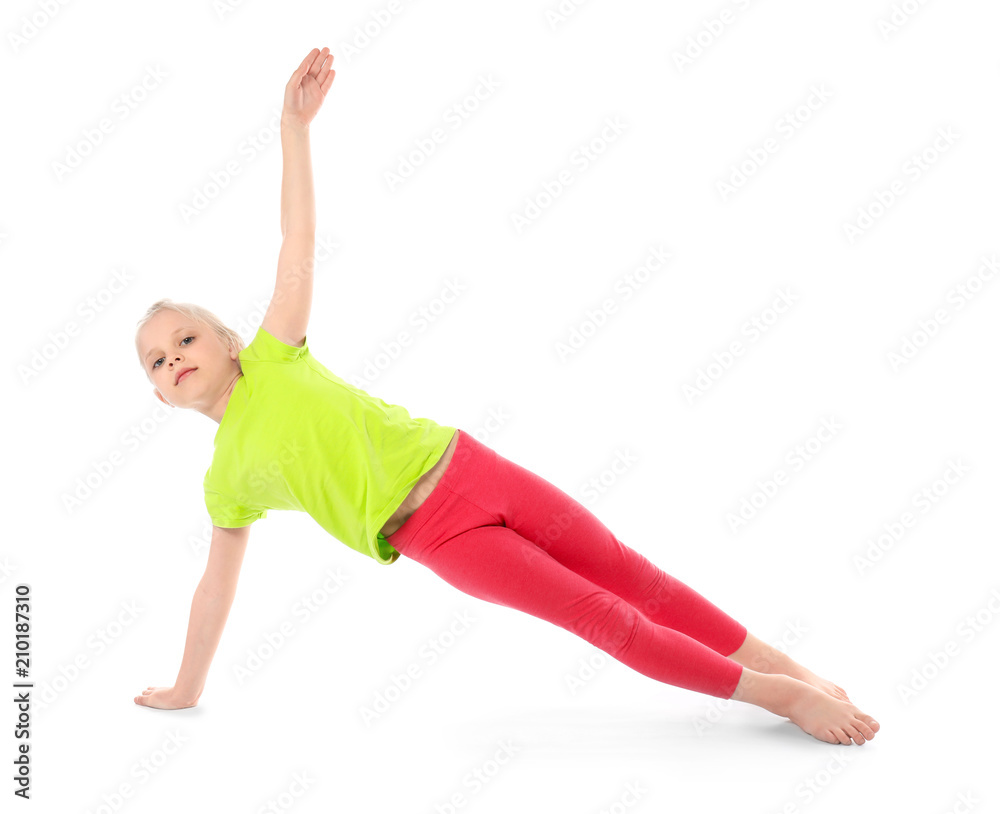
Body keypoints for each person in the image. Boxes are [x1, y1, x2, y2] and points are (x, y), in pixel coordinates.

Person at [132, 47, 880, 747]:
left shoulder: (275, 355)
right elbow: (213, 590)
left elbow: (296, 236)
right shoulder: (225, 481)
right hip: (437, 536)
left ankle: (789, 666)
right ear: (163, 399)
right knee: (602, 618)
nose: (174, 359)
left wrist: (293, 128)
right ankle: (777, 697)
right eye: (158, 362)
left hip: (469, 466)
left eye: (185, 340)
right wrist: (185, 688)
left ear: (227, 340)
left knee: (630, 573)